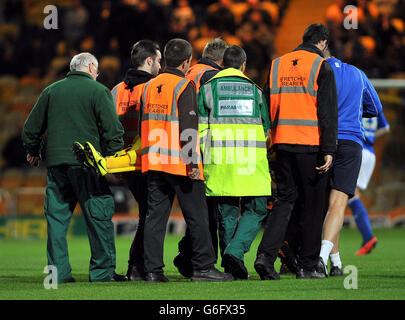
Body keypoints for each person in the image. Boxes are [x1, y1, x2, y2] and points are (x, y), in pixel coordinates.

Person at [22, 52, 127, 283]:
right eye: (96, 71)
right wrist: (113, 161)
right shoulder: (98, 91)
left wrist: (33, 150)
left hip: (57, 166)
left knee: (57, 222)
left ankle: (57, 275)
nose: (97, 75)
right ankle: (102, 273)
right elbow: (113, 131)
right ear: (91, 67)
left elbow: (31, 128)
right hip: (88, 167)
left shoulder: (51, 90)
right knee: (98, 217)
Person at [138, 38, 233, 282]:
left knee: (155, 218)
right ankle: (203, 268)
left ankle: (152, 271)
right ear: (187, 62)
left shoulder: (149, 86)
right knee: (198, 216)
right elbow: (189, 130)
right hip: (181, 164)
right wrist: (192, 164)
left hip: (153, 162)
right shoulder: (184, 86)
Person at [254, 23, 338, 280]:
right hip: (309, 144)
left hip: (281, 144)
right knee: (313, 206)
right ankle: (308, 265)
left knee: (285, 201)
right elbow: (327, 112)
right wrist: (329, 149)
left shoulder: (277, 64)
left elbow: (265, 104)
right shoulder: (321, 66)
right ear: (322, 42)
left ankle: (266, 256)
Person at [198, 45, 271, 279]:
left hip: (219, 162)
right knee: (257, 208)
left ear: (221, 64)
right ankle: (235, 253)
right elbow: (267, 130)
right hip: (251, 162)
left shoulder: (207, 89)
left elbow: (199, 129)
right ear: (243, 65)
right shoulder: (256, 91)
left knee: (226, 213)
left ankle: (231, 264)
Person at [319, 49, 382, 276]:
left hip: (322, 141)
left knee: (326, 205)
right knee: (339, 203)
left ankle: (329, 260)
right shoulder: (357, 73)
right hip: (351, 141)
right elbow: (376, 109)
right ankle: (329, 259)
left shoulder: (318, 71)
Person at [174, 37, 228, 278]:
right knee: (206, 211)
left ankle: (186, 256)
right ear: (222, 61)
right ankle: (202, 264)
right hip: (202, 150)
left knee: (200, 210)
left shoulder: (191, 71)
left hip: (182, 146)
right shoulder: (212, 77)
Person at [108, 40, 161, 281]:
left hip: (125, 162)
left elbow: (109, 129)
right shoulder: (154, 88)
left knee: (146, 212)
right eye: (158, 61)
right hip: (147, 160)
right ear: (149, 60)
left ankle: (137, 267)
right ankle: (139, 267)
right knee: (151, 213)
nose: (160, 66)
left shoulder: (116, 90)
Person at [349, 115, 389, 256]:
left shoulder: (357, 103)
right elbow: (385, 129)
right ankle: (367, 238)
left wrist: (363, 136)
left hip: (359, 151)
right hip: (370, 154)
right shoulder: (375, 108)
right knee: (352, 194)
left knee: (349, 194)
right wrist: (371, 137)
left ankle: (368, 237)